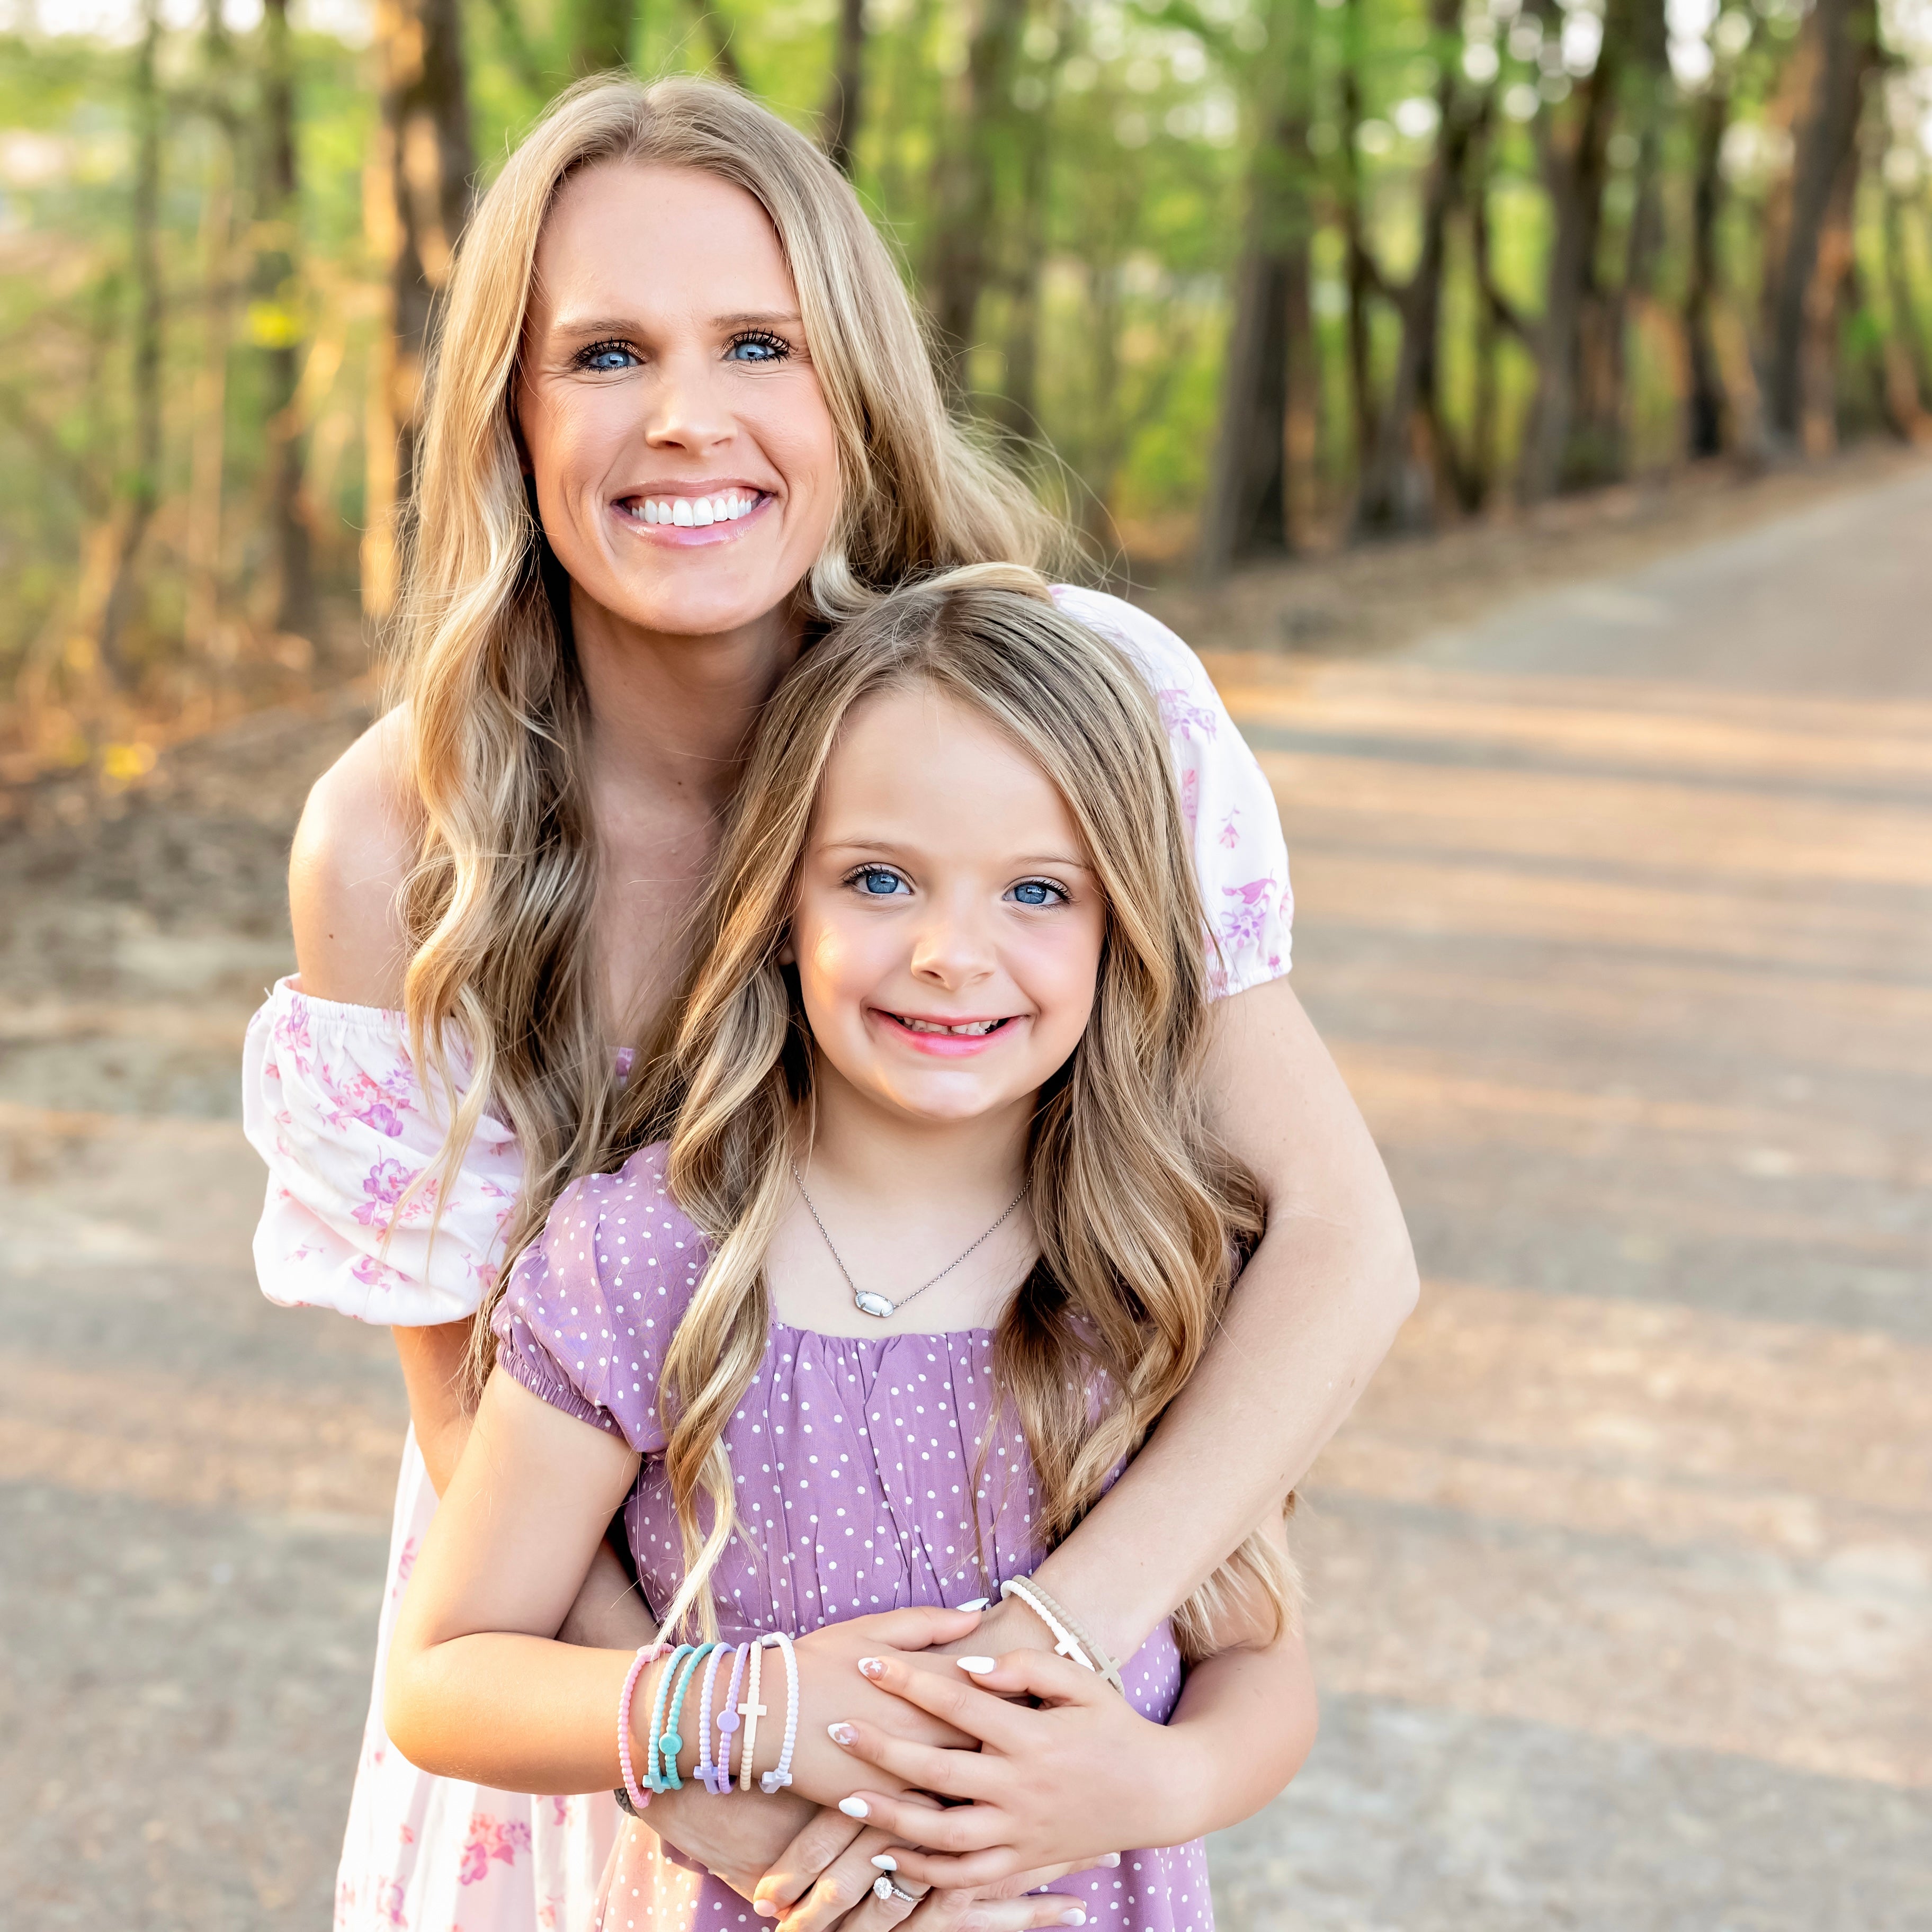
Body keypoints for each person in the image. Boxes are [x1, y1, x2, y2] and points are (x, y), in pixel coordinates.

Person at [240, 74, 1414, 1932]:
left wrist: (1038, 1679)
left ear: (853, 382)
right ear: (507, 410)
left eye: (757, 342)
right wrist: (730, 1790)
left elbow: (1341, 1240)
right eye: (604, 352)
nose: (683, 415)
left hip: (1006, 1716)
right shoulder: (407, 833)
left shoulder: (1074, 709)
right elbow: (472, 1401)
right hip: (613, 1712)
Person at [385, 569, 1320, 1932]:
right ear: (779, 907)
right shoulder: (646, 1263)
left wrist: (1152, 1788)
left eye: (1039, 892)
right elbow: (449, 1676)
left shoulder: (1151, 1272)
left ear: (1125, 927)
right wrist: (754, 1709)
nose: (953, 952)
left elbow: (1262, 1666)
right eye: (880, 879)